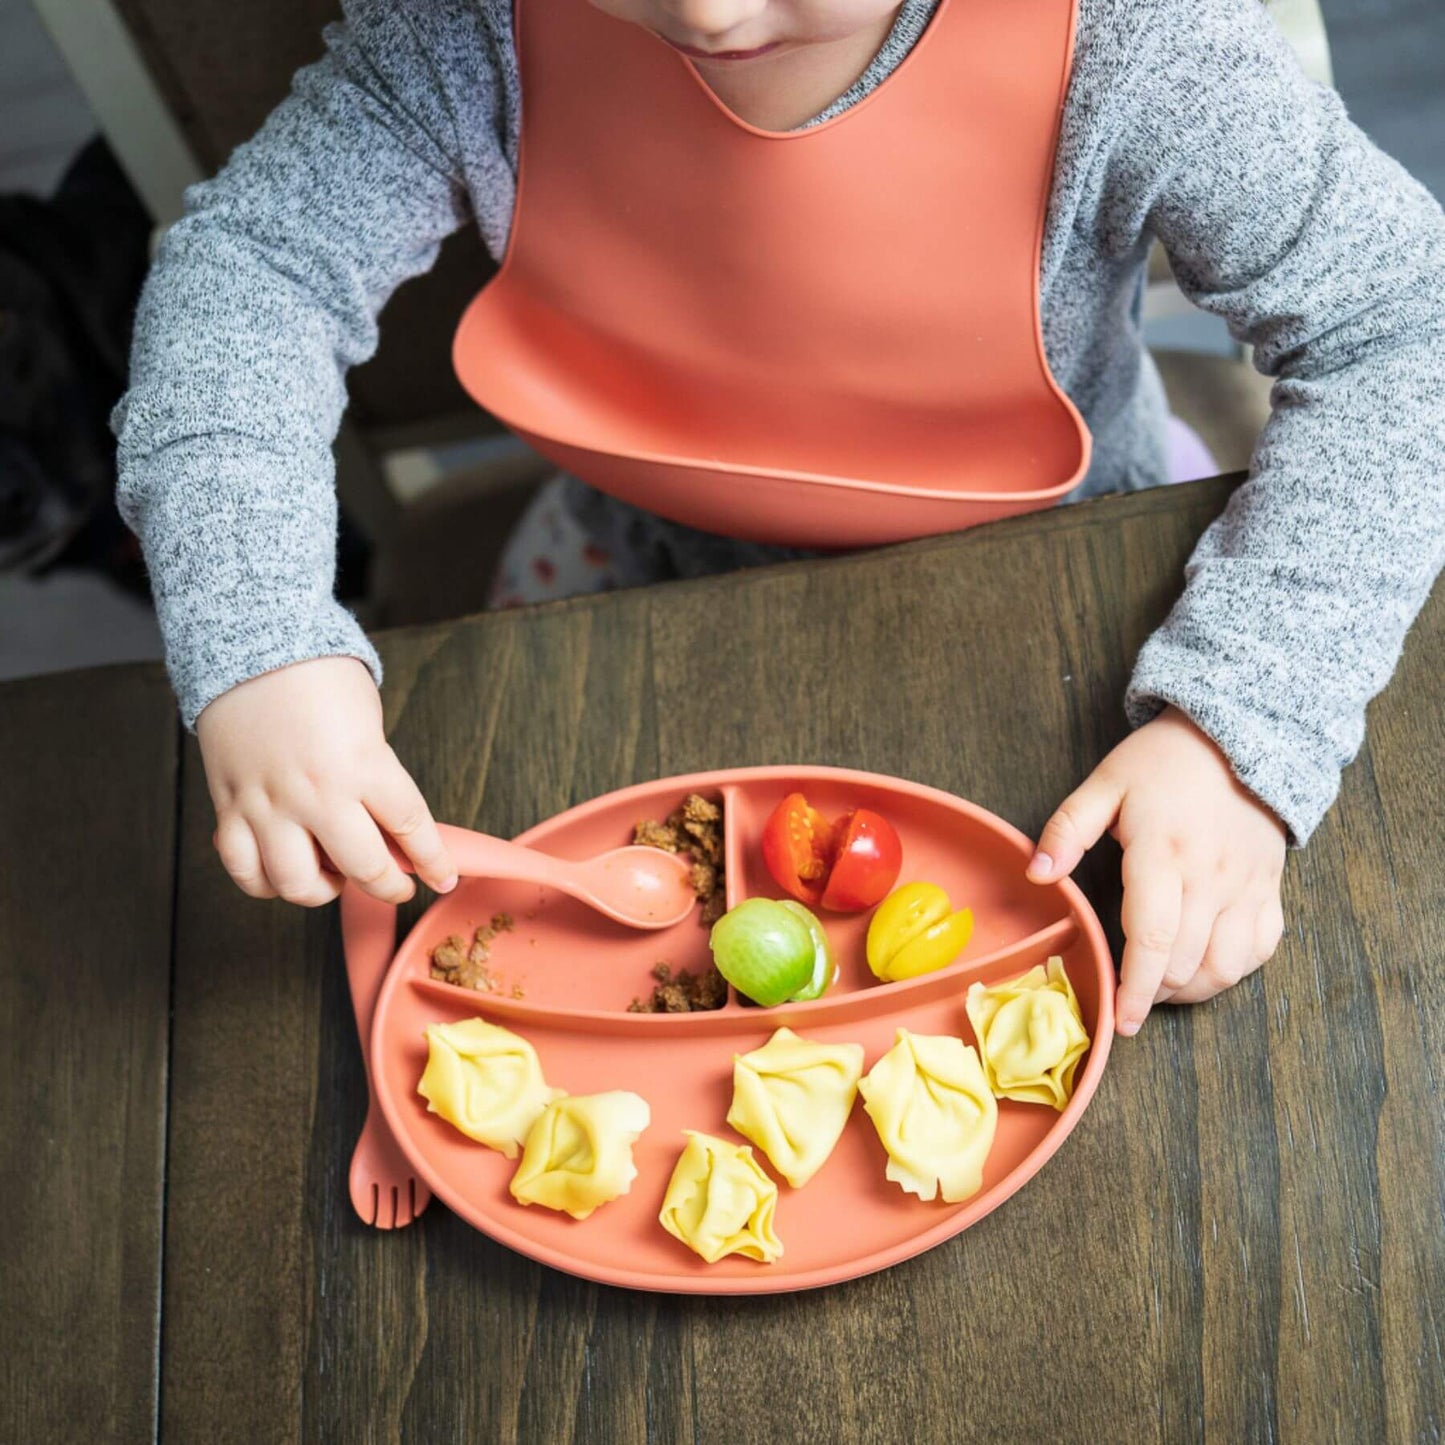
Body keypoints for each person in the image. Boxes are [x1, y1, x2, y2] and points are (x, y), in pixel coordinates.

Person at [114, 0, 1445, 1037]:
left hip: (1073, 594)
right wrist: (257, 632)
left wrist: (1239, 730)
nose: (704, 16)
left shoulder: (1140, 45)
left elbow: (1404, 331)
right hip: (643, 569)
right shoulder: (464, 34)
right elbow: (256, 275)